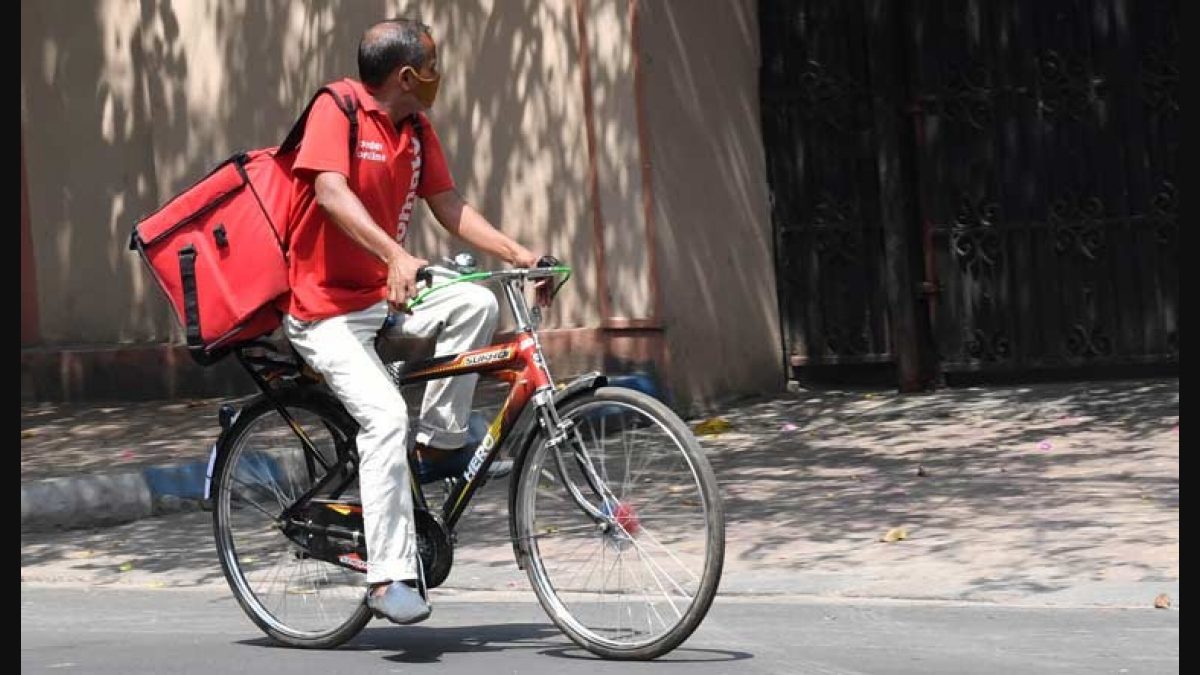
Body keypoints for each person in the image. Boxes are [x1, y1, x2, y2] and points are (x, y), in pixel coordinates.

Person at [282, 17, 547, 625]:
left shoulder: (417, 128)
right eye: (432, 67)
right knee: (382, 416)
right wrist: (395, 253)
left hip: (384, 297)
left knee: (475, 301)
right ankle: (388, 578)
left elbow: (449, 204)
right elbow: (329, 191)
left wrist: (519, 255)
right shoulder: (338, 107)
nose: (437, 78)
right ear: (407, 75)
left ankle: (439, 444)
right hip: (325, 311)